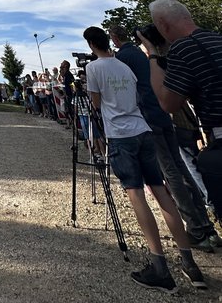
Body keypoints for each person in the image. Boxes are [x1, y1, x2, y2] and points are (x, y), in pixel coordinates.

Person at [83, 25, 206, 292]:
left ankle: (159, 266)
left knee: (136, 194)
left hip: (120, 134)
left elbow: (94, 103)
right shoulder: (125, 66)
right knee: (162, 192)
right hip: (142, 129)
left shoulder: (93, 68)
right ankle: (189, 263)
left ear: (92, 45)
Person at [109, 24, 219, 250]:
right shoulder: (147, 55)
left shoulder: (125, 57)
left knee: (170, 173)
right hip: (167, 115)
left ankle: (196, 230)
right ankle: (206, 226)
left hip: (149, 116)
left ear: (114, 38)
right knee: (182, 169)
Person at [138, 0, 222, 223]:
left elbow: (168, 103)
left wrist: (153, 54)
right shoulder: (216, 38)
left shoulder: (183, 48)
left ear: (163, 25)